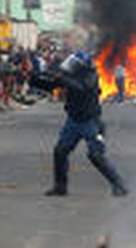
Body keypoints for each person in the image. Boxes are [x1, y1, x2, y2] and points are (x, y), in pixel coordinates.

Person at [30, 50, 127, 197]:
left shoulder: (91, 76)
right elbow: (50, 86)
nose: (70, 66)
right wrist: (33, 78)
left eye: (74, 64)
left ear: (82, 66)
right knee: (60, 152)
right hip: (73, 121)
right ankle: (60, 187)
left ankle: (118, 184)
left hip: (91, 122)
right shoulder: (69, 76)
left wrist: (61, 78)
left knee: (95, 155)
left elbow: (82, 88)